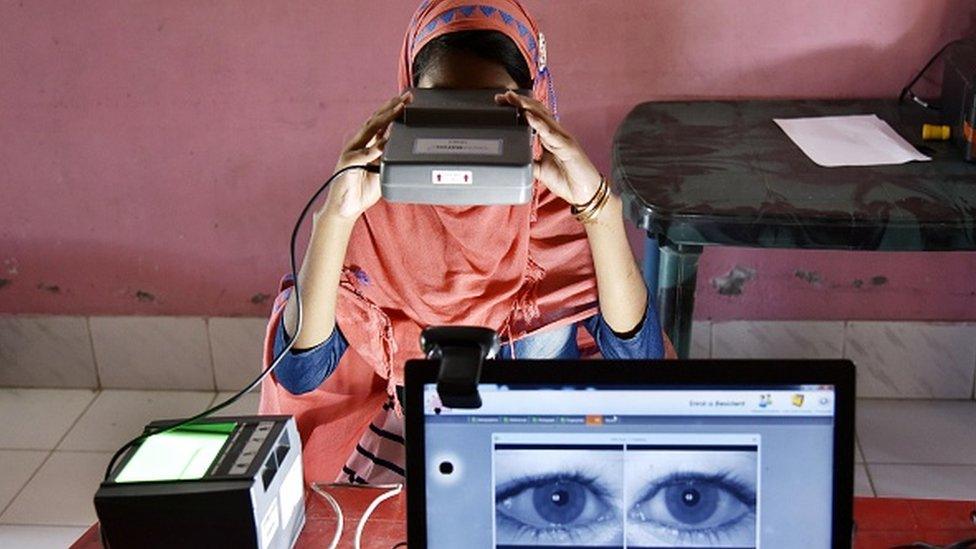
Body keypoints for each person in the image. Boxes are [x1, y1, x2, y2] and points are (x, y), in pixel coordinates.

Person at [259, 0, 675, 485]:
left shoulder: (566, 206)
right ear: (408, 102)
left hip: (548, 447)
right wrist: (336, 215)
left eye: (489, 113)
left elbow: (640, 364)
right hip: (419, 449)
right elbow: (299, 373)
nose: (464, 141)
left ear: (532, 106)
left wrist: (601, 213)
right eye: (443, 110)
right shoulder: (374, 206)